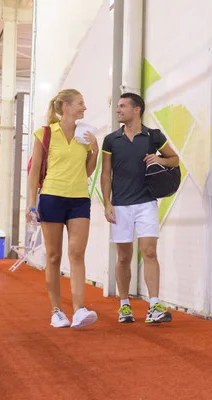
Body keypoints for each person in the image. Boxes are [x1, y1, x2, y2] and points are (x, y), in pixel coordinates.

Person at [100, 92, 178, 324]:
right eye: (117, 106)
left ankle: (154, 306)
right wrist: (107, 202)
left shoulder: (153, 137)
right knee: (124, 257)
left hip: (146, 203)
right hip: (121, 205)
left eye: (122, 106)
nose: (118, 110)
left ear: (137, 109)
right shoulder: (111, 140)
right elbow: (105, 174)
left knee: (150, 252)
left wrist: (159, 160)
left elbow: (174, 159)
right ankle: (124, 306)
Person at [27, 89, 99, 329]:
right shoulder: (45, 133)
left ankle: (79, 310)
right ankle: (57, 311)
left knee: (77, 253)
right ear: (66, 107)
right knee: (54, 256)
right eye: (80, 103)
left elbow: (88, 172)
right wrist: (31, 204)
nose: (84, 107)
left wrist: (95, 149)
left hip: (79, 198)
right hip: (51, 197)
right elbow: (34, 171)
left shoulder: (85, 135)